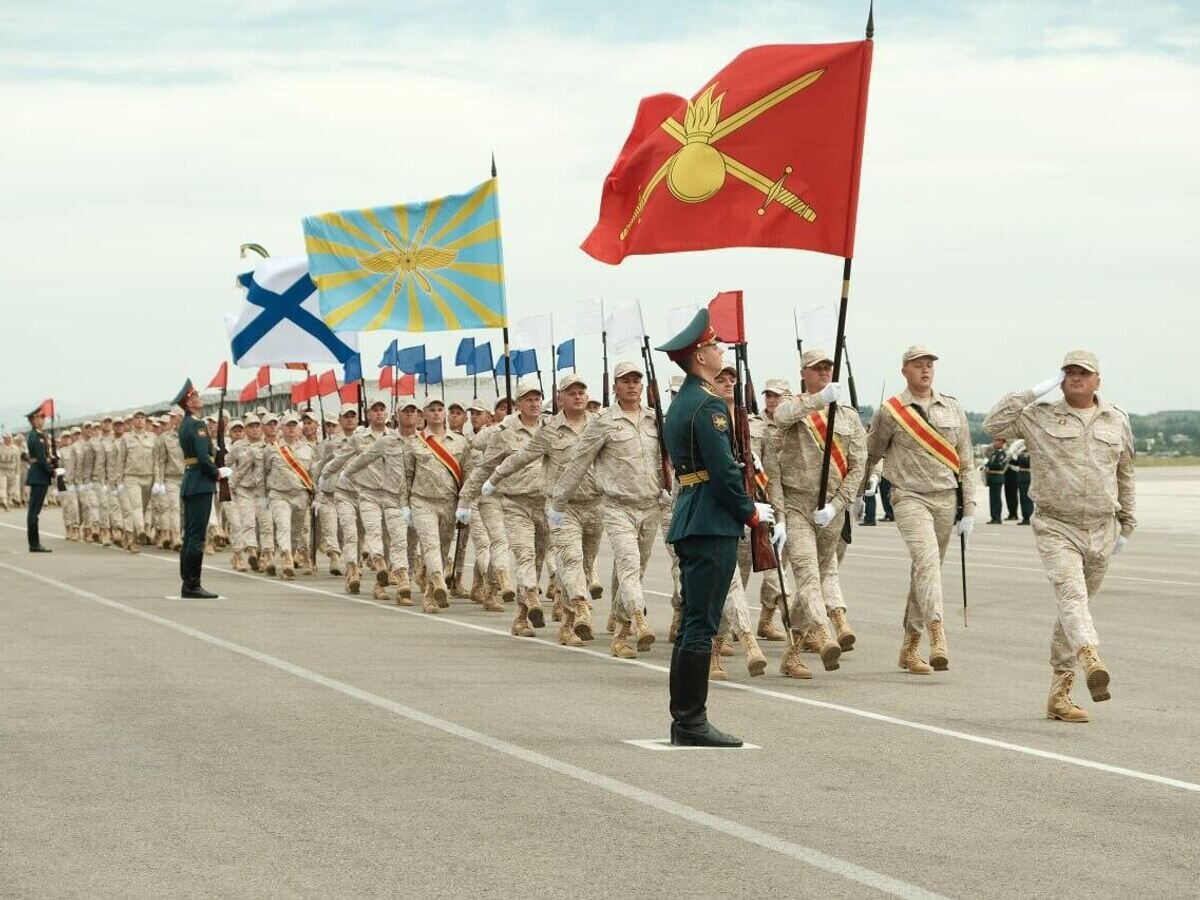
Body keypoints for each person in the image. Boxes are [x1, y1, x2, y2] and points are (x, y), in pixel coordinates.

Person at [983, 351, 1135, 723]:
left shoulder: (1116, 419)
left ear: (1098, 379)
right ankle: (1089, 656)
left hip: (1101, 528)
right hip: (1056, 525)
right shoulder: (1040, 416)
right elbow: (993, 424)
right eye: (1068, 372)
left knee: (1075, 608)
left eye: (1083, 373)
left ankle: (1060, 694)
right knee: (1072, 594)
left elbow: (1125, 471)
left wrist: (1127, 523)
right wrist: (1031, 392)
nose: (1075, 378)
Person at [656, 309, 776, 748]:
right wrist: (751, 512)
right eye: (714, 346)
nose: (721, 350)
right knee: (701, 624)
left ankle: (685, 719)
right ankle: (691, 721)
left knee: (693, 620)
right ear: (700, 356)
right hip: (711, 521)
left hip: (694, 515)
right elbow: (724, 472)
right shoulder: (707, 406)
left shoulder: (683, 402)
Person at [865, 345, 976, 676]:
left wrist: (969, 507)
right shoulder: (891, 411)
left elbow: (967, 462)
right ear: (905, 371)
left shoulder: (953, 408)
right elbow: (871, 453)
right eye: (918, 365)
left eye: (929, 365)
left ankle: (910, 646)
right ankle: (937, 632)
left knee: (926, 572)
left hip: (946, 498)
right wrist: (857, 496)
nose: (925, 370)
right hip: (909, 496)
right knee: (926, 561)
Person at [551, 362, 667, 659]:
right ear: (615, 386)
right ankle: (640, 620)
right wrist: (558, 504)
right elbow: (578, 463)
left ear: (643, 386)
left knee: (635, 571)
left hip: (651, 506)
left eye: (636, 380)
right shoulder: (603, 422)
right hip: (617, 507)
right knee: (628, 565)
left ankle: (621, 634)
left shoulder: (656, 421)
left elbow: (667, 461)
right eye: (625, 381)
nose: (631, 385)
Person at [765, 347, 866, 677]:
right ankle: (822, 635)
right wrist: (821, 398)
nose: (823, 372)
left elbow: (857, 466)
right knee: (806, 574)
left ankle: (792, 654)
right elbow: (781, 416)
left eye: (827, 368)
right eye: (816, 368)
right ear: (803, 374)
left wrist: (838, 505)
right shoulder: (795, 407)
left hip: (831, 512)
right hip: (797, 506)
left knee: (817, 580)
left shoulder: (848, 416)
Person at [173, 380, 229, 597]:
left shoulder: (187, 423)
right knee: (197, 537)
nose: (199, 397)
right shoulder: (197, 425)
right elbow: (203, 458)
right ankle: (192, 584)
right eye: (195, 394)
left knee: (190, 536)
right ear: (190, 402)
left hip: (192, 481)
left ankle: (188, 581)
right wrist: (217, 472)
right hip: (200, 483)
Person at [24, 405, 59, 552]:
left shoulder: (38, 435)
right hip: (39, 477)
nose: (43, 420)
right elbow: (40, 459)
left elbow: (43, 457)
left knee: (34, 512)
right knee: (34, 512)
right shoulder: (36, 436)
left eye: (43, 417)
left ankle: (34, 543)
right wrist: (51, 471)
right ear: (33, 419)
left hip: (38, 476)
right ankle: (34, 544)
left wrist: (51, 458)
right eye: (41, 417)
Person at [984, 439, 1008, 524]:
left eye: (996, 441)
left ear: (1001, 443)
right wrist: (985, 466)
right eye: (993, 441)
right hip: (992, 478)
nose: (994, 443)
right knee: (992, 499)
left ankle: (997, 517)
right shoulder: (994, 453)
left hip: (997, 477)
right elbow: (988, 462)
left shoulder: (1002, 454)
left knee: (996, 499)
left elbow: (999, 465)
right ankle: (993, 517)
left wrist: (989, 465)